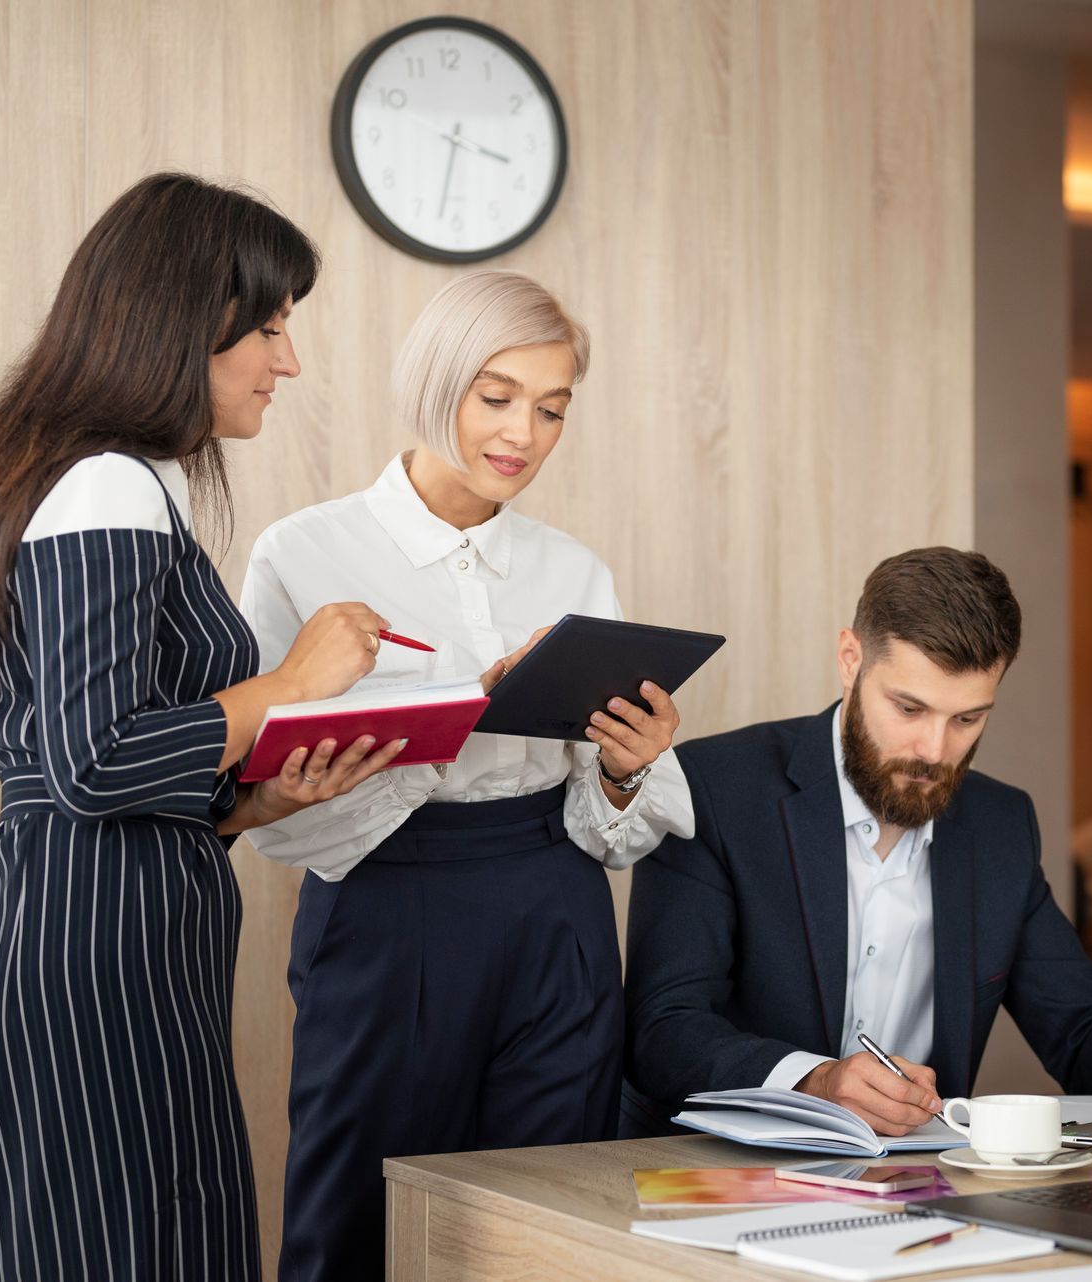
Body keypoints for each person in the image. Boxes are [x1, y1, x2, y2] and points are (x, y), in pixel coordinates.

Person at [0, 173, 410, 1280]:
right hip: (85, 980)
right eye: (272, 327)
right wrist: (287, 680)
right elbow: (89, 764)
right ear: (189, 319)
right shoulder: (108, 485)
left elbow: (106, 766)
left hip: (121, 964)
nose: (289, 361)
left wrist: (255, 802)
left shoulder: (120, 483)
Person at [238, 270, 695, 1282]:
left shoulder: (574, 569)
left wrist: (628, 766)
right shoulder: (304, 552)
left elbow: (607, 820)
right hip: (386, 912)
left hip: (558, 912)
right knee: (355, 1223)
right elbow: (268, 817)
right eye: (496, 397)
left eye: (552, 408)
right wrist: (449, 714)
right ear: (434, 381)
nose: (522, 434)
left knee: (547, 1228)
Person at [623, 547, 1092, 1138]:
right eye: (909, 708)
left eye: (968, 719)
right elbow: (662, 1029)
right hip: (723, 1172)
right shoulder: (712, 788)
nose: (934, 751)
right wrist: (815, 1080)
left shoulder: (1001, 823)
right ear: (850, 659)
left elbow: (1083, 1024)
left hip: (926, 1182)